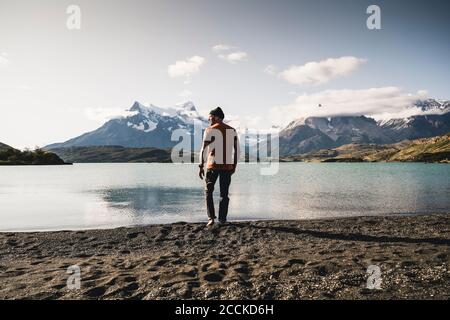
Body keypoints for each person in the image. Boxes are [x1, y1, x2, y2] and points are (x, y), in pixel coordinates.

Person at [199, 107, 239, 227]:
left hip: (212, 165)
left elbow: (203, 149)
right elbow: (237, 150)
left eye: (210, 117)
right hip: (227, 167)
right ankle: (222, 219)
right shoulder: (232, 130)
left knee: (208, 191)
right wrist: (234, 166)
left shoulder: (209, 130)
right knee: (224, 194)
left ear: (216, 117)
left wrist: (201, 165)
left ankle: (211, 218)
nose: (208, 119)